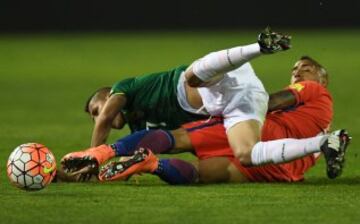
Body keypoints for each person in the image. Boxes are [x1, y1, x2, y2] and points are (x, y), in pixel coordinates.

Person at [60, 56, 351, 184]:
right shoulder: (323, 115)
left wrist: (232, 107)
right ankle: (151, 165)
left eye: (306, 68)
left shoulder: (314, 91)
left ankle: (102, 154)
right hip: (282, 170)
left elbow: (270, 102)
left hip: (260, 132)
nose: (298, 73)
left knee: (179, 138)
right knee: (202, 173)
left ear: (322, 79)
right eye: (294, 70)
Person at [85, 27, 290, 147]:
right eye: (94, 116)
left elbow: (105, 118)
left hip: (218, 78)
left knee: (193, 78)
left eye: (96, 110)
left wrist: (92, 156)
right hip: (226, 105)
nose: (97, 118)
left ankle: (258, 47)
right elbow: (124, 163)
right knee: (249, 146)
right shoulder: (139, 129)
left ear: (108, 94)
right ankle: (310, 108)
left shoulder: (125, 88)